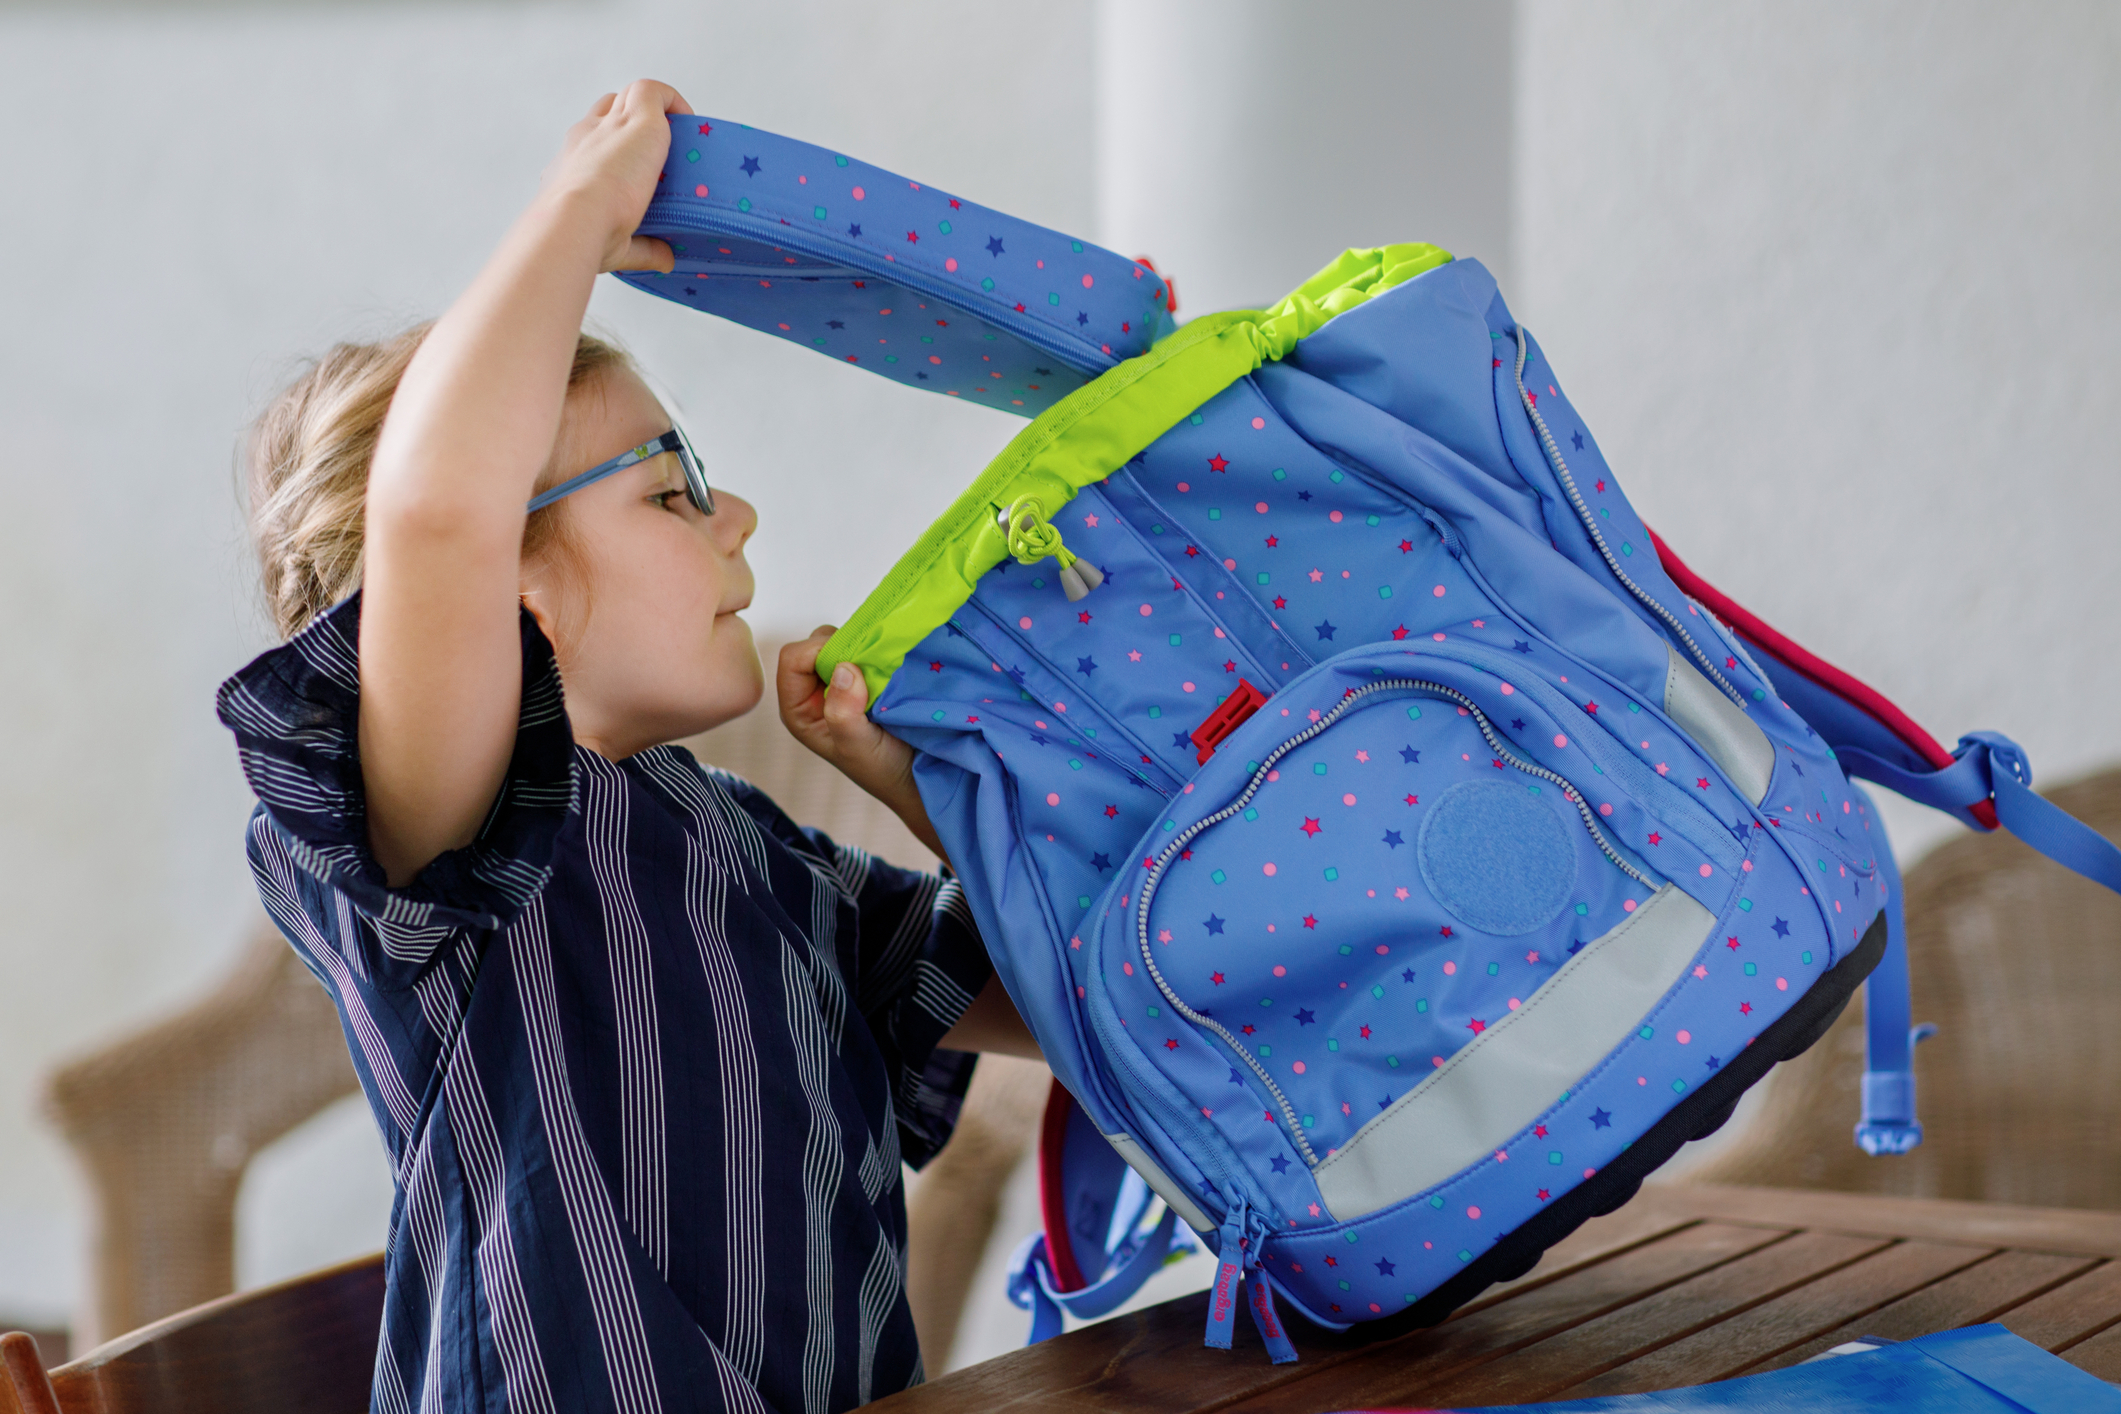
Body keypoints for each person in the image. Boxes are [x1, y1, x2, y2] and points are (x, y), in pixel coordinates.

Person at [215, 79, 1036, 1414]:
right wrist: (577, 214)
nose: (739, 516)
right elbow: (438, 517)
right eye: (674, 488)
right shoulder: (451, 841)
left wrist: (912, 781)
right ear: (511, 584)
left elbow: (1037, 992)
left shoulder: (748, 847)